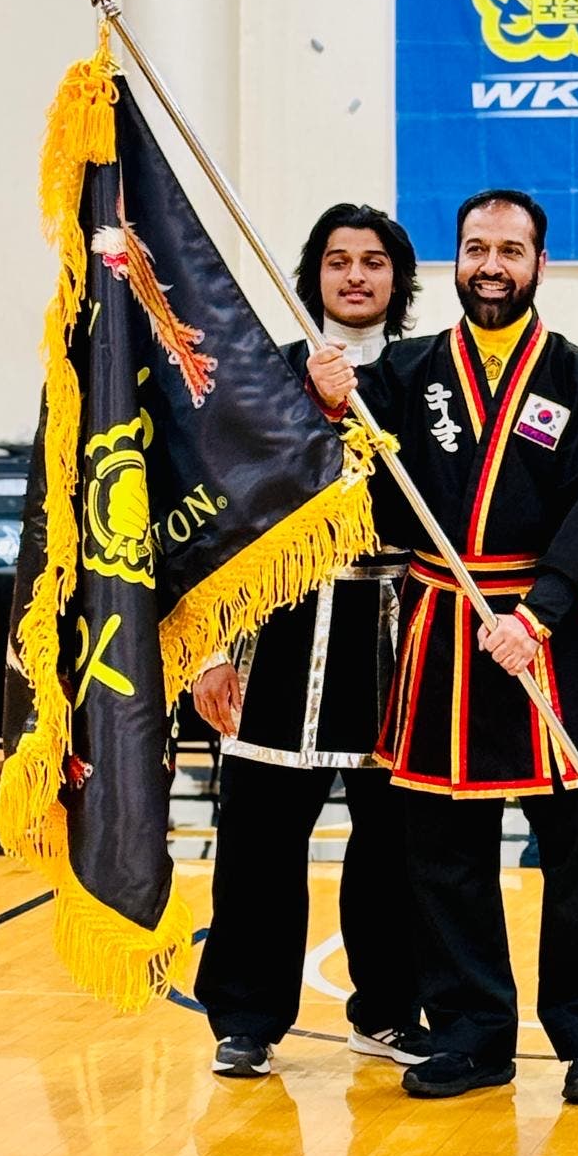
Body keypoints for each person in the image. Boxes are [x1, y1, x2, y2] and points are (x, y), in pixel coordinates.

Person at [308, 189, 578, 1105]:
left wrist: (539, 611)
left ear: (540, 263)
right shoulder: (402, 373)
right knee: (443, 853)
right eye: (476, 248)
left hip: (544, 630)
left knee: (576, 846)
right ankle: (471, 1033)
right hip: (444, 621)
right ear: (454, 260)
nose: (491, 266)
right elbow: (363, 494)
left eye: (510, 250)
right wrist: (334, 411)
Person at [193, 204, 430, 1079]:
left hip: (393, 629)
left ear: (399, 280)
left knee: (394, 842)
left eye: (373, 261)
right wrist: (210, 650)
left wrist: (351, 408)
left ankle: (390, 1012)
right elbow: (223, 514)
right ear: (314, 274)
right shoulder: (263, 375)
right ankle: (246, 1018)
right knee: (258, 838)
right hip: (278, 627)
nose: (355, 276)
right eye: (338, 260)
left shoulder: (426, 376)